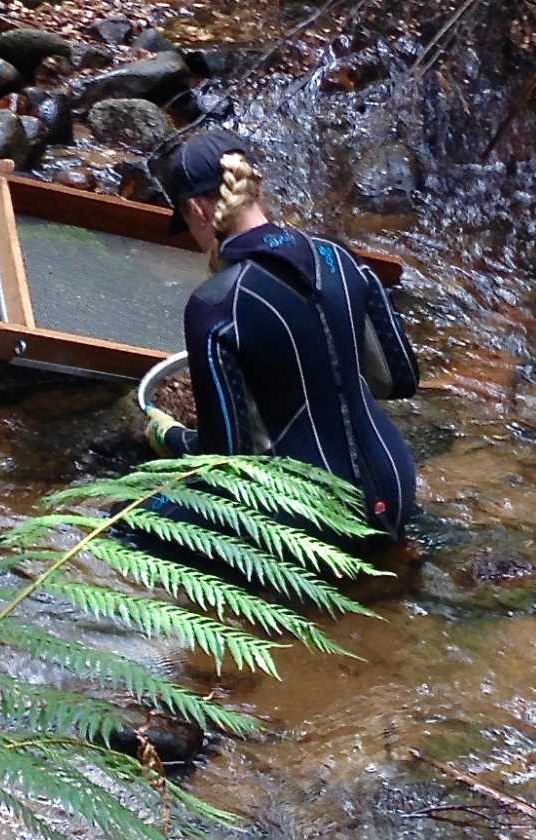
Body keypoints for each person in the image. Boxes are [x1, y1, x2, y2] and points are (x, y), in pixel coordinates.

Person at [144, 128, 421, 538]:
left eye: (185, 222)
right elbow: (401, 378)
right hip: (396, 490)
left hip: (312, 519)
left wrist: (171, 435)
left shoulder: (214, 304)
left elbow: (224, 460)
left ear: (198, 211)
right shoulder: (340, 256)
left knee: (133, 524)